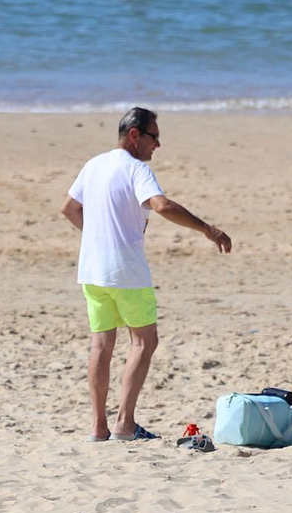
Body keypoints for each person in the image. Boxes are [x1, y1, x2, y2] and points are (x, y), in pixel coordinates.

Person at [60, 108, 232, 442]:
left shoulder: (93, 164)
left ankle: (98, 427)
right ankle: (124, 423)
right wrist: (207, 230)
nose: (158, 145)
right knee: (144, 341)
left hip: (92, 270)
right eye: (154, 137)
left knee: (101, 345)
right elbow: (162, 205)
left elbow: (69, 208)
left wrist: (98, 237)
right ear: (135, 135)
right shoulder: (136, 168)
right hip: (125, 271)